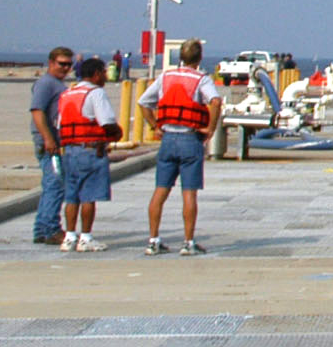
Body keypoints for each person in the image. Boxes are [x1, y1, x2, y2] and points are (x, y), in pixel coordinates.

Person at [138, 38, 219, 255]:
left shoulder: (165, 77)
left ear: (180, 57)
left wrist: (155, 125)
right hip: (189, 138)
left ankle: (153, 240)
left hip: (168, 138)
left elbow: (143, 103)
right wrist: (210, 128)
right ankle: (188, 242)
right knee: (189, 193)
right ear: (200, 58)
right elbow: (215, 102)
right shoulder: (201, 79)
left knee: (160, 191)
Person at [53, 55, 121, 252]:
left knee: (71, 197)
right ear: (97, 74)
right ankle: (86, 237)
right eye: (104, 73)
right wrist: (116, 133)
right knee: (88, 196)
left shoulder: (68, 94)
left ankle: (70, 236)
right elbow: (106, 122)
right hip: (91, 150)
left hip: (70, 151)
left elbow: (59, 123)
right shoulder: (96, 93)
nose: (106, 78)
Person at [27, 44, 77, 245]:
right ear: (51, 63)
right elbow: (37, 111)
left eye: (68, 65)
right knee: (55, 185)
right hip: (49, 144)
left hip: (56, 142)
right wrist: (48, 138)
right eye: (61, 64)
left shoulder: (56, 84)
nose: (65, 68)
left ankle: (41, 229)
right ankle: (50, 229)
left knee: (52, 185)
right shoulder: (46, 84)